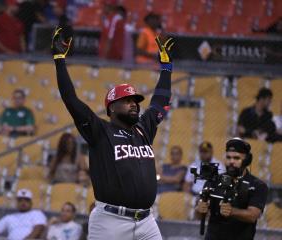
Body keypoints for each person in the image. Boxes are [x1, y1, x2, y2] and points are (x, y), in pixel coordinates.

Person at [52, 26, 174, 239]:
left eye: (135, 100)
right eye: (126, 101)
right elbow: (71, 99)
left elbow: (160, 101)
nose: (134, 104)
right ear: (111, 108)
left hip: (146, 221)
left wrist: (166, 68)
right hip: (110, 222)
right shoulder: (99, 130)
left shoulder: (144, 128)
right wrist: (60, 60)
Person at [195, 138, 268, 240]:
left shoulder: (257, 185)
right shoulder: (213, 180)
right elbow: (199, 215)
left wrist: (232, 211)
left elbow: (253, 215)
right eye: (228, 157)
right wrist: (199, 209)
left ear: (246, 160)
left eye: (236, 158)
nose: (231, 162)